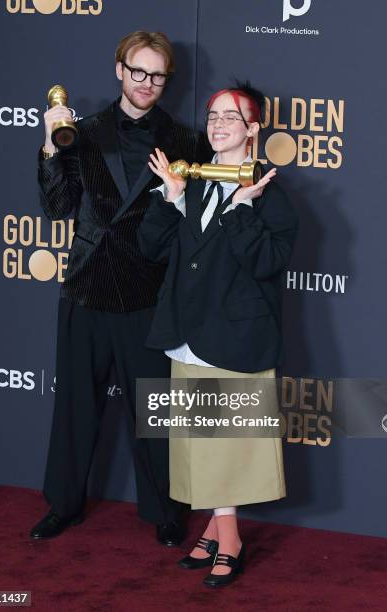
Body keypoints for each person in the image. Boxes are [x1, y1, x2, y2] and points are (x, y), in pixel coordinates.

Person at [31, 31, 209, 545]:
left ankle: (166, 513)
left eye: (157, 75)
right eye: (138, 71)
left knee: (154, 414)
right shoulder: (80, 132)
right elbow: (58, 208)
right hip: (85, 288)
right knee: (73, 409)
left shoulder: (186, 142)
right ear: (119, 70)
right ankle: (63, 504)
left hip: (147, 296)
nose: (147, 83)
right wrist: (48, 143)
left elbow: (191, 226)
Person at [137, 82, 299, 586]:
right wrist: (171, 197)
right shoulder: (197, 183)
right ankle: (213, 527)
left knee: (223, 443)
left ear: (254, 130)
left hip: (234, 339)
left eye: (232, 116)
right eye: (212, 114)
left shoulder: (271, 194)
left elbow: (270, 262)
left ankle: (228, 538)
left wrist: (244, 209)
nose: (218, 123)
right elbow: (152, 248)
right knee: (199, 441)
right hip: (187, 333)